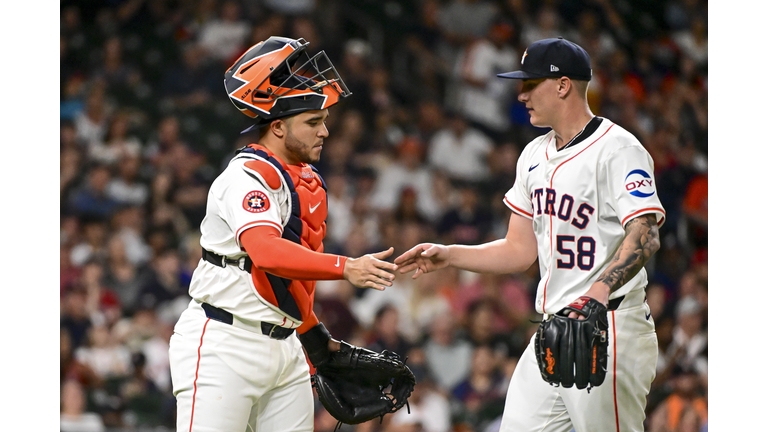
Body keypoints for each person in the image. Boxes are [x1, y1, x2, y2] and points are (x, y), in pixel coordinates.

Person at [396, 37, 665, 432]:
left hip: (609, 327)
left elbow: (645, 233)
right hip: (553, 329)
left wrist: (599, 291)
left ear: (562, 86)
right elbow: (519, 251)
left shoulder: (618, 149)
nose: (521, 95)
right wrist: (450, 254)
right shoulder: (532, 156)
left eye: (530, 84)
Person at [168, 36, 398, 432]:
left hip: (287, 347)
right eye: (313, 122)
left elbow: (288, 282)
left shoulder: (305, 180)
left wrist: (316, 339)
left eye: (324, 120)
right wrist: (346, 268)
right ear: (276, 127)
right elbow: (267, 253)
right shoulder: (245, 176)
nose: (325, 131)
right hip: (225, 343)